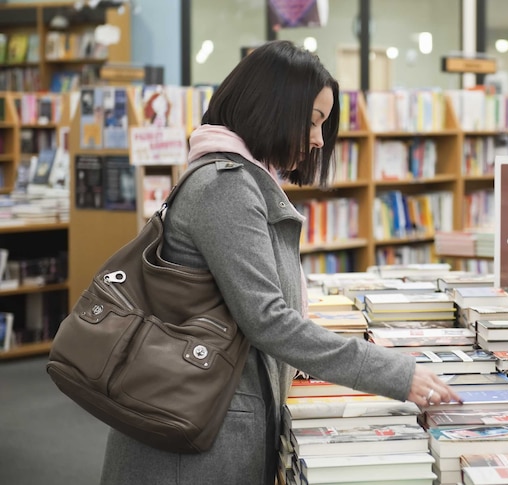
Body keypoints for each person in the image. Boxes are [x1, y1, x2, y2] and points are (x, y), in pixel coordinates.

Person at [100, 40, 461, 485]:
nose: (316, 140)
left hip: (206, 417)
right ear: (272, 107)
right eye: (312, 121)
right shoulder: (225, 187)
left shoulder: (237, 177)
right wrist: (396, 373)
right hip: (194, 442)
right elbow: (268, 319)